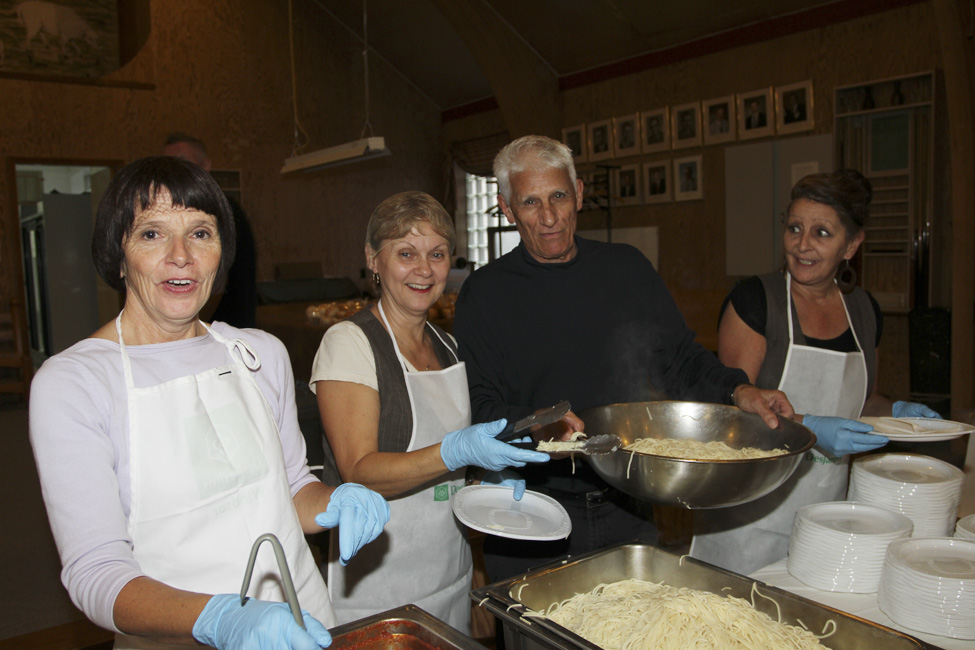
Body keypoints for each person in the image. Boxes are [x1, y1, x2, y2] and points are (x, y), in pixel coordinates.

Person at [29, 156, 390, 650]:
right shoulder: (76, 382)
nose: (181, 255)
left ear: (221, 254)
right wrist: (220, 616)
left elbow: (290, 488)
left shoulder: (260, 353)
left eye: (200, 233)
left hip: (301, 623)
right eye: (152, 234)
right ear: (118, 255)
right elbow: (96, 572)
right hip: (173, 636)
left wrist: (337, 502)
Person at [453, 135, 794, 582]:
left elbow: (680, 361)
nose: (549, 216)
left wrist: (739, 389)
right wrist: (536, 424)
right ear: (506, 209)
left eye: (558, 195)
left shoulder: (626, 268)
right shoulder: (484, 294)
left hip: (627, 504)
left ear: (578, 193)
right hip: (528, 512)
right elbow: (481, 408)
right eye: (530, 202)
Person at [309, 191, 548, 631]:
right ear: (373, 260)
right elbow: (358, 469)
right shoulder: (350, 343)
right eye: (406, 253)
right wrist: (455, 453)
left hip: (448, 574)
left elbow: (451, 477)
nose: (424, 269)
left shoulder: (448, 346)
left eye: (436, 254)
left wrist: (484, 481)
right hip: (377, 587)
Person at [689, 169, 941, 576]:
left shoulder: (864, 312)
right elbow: (730, 414)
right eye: (794, 228)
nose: (802, 245)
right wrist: (809, 428)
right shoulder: (756, 302)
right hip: (750, 516)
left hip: (828, 514)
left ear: (852, 244)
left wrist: (894, 409)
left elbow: (861, 401)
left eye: (822, 233)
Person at [163, 132, 258, 328]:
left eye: (182, 162)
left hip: (224, 327)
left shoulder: (221, 210)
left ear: (205, 166)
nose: (174, 170)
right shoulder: (168, 210)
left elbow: (218, 279)